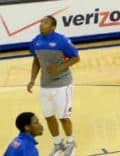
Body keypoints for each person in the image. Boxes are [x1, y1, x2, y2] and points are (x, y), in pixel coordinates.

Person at [27, 16, 78, 156]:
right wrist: (32, 79)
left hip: (62, 84)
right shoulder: (36, 41)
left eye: (45, 22)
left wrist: (60, 68)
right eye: (41, 22)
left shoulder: (62, 40)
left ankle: (71, 143)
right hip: (45, 85)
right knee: (49, 116)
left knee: (63, 117)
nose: (41, 24)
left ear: (53, 27)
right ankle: (57, 144)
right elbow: (36, 60)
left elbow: (76, 58)